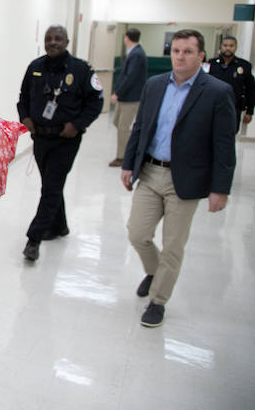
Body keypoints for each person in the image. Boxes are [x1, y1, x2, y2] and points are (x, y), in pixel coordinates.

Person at [121, 29, 236, 328]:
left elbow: (224, 146)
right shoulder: (155, 85)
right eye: (176, 51)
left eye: (187, 52)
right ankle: (153, 271)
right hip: (149, 171)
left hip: (185, 181)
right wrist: (128, 164)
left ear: (201, 56)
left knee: (172, 245)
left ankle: (158, 301)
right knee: (137, 233)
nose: (180, 56)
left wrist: (220, 189)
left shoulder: (217, 92)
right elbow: (141, 127)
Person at [17, 25, 103, 261]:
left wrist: (77, 124)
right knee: (51, 183)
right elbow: (23, 98)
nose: (52, 42)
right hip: (41, 138)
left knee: (52, 185)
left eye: (58, 38)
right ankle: (60, 226)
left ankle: (33, 239)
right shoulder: (35, 67)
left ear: (67, 41)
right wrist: (25, 118)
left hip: (66, 140)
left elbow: (95, 103)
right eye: (49, 38)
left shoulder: (81, 69)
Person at [109, 28, 147, 166]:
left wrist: (117, 93)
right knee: (118, 123)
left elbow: (130, 77)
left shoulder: (136, 55)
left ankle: (123, 157)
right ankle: (130, 150)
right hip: (125, 97)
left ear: (126, 38)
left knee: (123, 127)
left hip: (130, 98)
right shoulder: (134, 53)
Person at [206, 35, 254, 132]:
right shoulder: (211, 64)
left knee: (229, 136)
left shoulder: (244, 66)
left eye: (231, 46)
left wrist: (249, 111)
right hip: (212, 107)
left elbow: (251, 89)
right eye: (225, 45)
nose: (228, 48)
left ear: (236, 47)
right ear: (221, 47)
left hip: (234, 108)